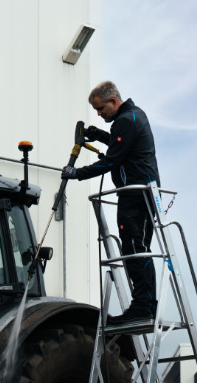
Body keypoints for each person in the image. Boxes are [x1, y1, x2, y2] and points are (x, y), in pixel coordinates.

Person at [62, 81, 160, 331]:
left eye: (100, 108)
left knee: (134, 249)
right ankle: (146, 306)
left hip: (136, 195)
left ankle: (142, 308)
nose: (98, 113)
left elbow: (112, 160)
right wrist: (99, 135)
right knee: (138, 248)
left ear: (113, 102)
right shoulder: (132, 116)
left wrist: (77, 173)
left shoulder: (126, 120)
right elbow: (121, 147)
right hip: (142, 194)